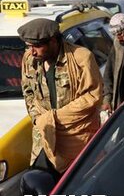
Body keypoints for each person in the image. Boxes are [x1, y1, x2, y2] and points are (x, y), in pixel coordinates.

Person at [19, 18, 103, 180]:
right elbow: (28, 91)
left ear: (52, 41)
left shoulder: (81, 58)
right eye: (29, 46)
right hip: (44, 138)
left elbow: (92, 97)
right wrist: (38, 119)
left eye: (37, 46)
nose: (32, 51)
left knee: (78, 189)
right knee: (39, 184)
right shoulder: (29, 59)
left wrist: (55, 118)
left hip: (76, 139)